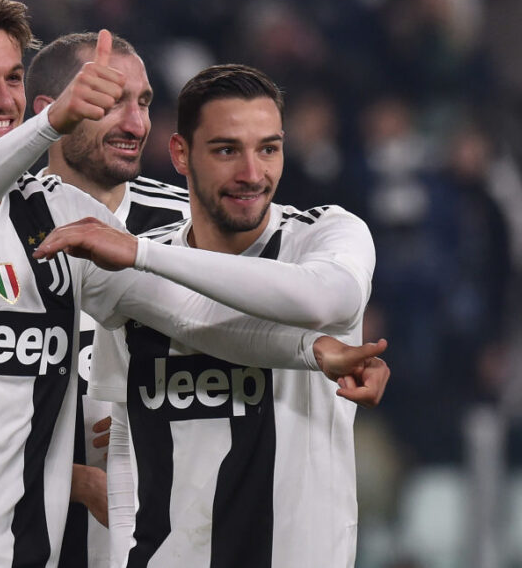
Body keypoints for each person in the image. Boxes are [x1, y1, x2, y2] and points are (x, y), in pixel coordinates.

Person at [0, 0, 387, 568]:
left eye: (12, 79)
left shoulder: (60, 215)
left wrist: (312, 351)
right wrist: (49, 126)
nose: (2, 99)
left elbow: (186, 317)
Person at [34, 64, 390, 567]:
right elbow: (117, 438)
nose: (252, 173)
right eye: (227, 150)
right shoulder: (130, 272)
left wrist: (142, 253)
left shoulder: (326, 235)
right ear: (180, 154)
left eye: (269, 148)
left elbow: (324, 301)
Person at [25, 31, 190, 568]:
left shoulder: (189, 225)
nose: (136, 124)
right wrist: (63, 475)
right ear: (51, 112)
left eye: (142, 102)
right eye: (111, 100)